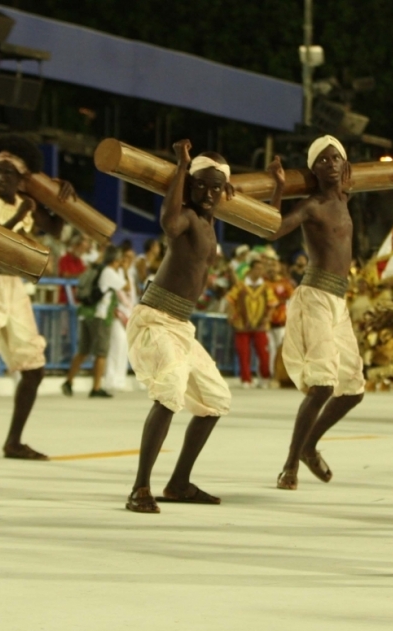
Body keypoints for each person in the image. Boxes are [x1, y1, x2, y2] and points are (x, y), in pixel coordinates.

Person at [125, 140, 232, 513]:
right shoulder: (186, 215)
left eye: (215, 186)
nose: (207, 192)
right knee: (169, 393)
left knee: (215, 400)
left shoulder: (210, 219)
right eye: (200, 185)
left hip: (181, 325)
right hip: (155, 318)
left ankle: (179, 482)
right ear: (189, 185)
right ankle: (140, 488)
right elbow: (169, 224)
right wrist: (181, 167)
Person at [0, 135, 75, 461]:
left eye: (9, 173)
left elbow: (57, 230)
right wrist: (23, 208)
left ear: (22, 180)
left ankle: (14, 441)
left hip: (14, 289)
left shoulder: (28, 206)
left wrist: (60, 199)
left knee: (34, 369)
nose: (1, 177)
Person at [267, 136, 366, 491]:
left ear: (345, 164)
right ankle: (290, 464)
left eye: (335, 158)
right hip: (315, 298)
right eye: (322, 161)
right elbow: (274, 229)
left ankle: (309, 446)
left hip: (338, 302)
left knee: (353, 391)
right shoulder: (313, 206)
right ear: (313, 169)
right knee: (323, 385)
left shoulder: (345, 198)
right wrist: (278, 188)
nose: (331, 164)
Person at [62, 245, 125, 398]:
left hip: (87, 313)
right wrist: (123, 270)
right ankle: (96, 387)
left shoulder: (98, 269)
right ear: (116, 259)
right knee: (101, 352)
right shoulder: (109, 272)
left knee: (83, 350)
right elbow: (126, 285)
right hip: (100, 316)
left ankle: (69, 381)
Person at [226, 257, 277, 388]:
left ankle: (264, 378)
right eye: (258, 268)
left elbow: (272, 303)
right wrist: (233, 315)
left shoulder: (266, 287)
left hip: (261, 325)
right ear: (251, 269)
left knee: (264, 353)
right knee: (243, 353)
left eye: (262, 269)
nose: (260, 271)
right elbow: (230, 300)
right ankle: (246, 379)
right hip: (242, 325)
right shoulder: (240, 285)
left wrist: (268, 317)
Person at [104, 241, 137, 392]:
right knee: (116, 346)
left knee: (124, 347)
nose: (129, 261)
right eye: (126, 258)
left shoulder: (129, 274)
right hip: (117, 313)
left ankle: (120, 378)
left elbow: (132, 295)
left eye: (131, 258)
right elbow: (122, 290)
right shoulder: (115, 272)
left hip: (128, 314)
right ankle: (111, 379)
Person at [266, 256, 295, 381]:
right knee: (268, 348)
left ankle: (279, 374)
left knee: (280, 348)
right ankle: (269, 374)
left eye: (274, 265)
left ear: (279, 268)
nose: (272, 268)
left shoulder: (285, 284)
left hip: (281, 321)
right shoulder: (263, 283)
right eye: (270, 265)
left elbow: (293, 299)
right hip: (265, 321)